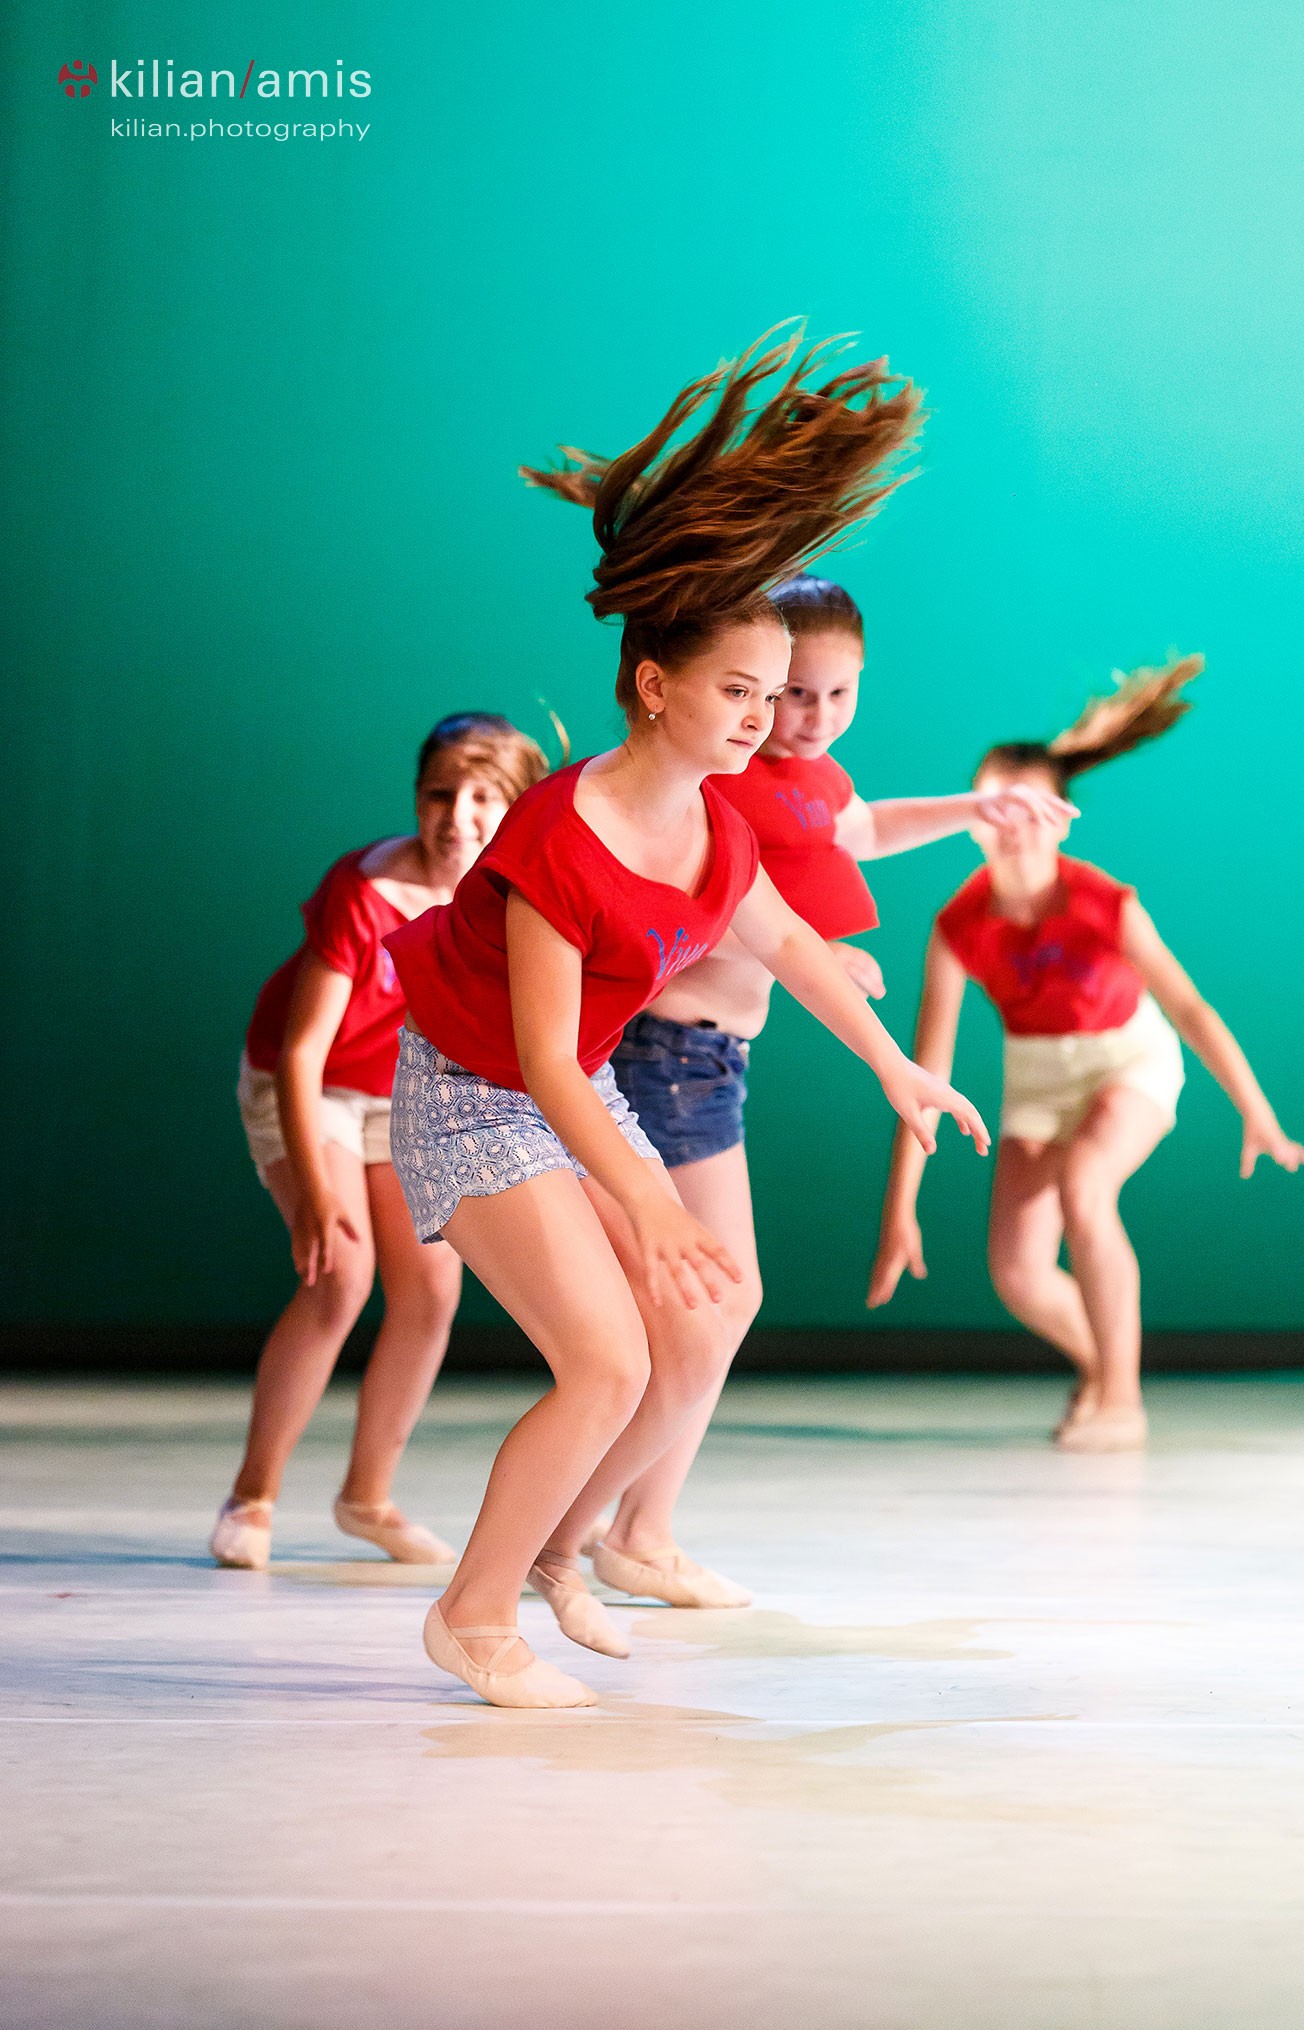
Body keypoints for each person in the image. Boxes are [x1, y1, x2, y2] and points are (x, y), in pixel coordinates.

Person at [385, 329, 991, 1708]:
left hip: (567, 1087)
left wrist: (897, 1067)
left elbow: (786, 940)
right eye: (737, 690)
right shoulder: (560, 834)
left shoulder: (719, 822)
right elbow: (543, 1059)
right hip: (476, 1090)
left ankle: (560, 1559)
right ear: (656, 686)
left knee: (687, 1328)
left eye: (773, 694)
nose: (762, 717)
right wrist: (651, 1206)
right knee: (604, 1359)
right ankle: (473, 1616)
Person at [595, 574, 1075, 1606]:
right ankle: (626, 1527)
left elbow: (859, 828)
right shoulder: (719, 784)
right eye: (784, 695)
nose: (806, 718)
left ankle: (627, 1522)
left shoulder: (806, 776)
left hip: (709, 1063)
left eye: (833, 695)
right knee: (714, 1301)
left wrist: (976, 808)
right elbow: (690, 919)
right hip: (667, 1057)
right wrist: (820, 957)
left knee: (707, 1305)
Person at [867, 657, 1304, 1448]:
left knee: (1086, 1187)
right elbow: (923, 1074)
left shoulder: (1104, 902)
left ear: (1061, 820)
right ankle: (1105, 1368)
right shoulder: (956, 926)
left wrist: (1256, 1113)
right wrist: (899, 1207)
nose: (1011, 825)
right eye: (993, 806)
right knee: (1017, 1272)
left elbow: (1189, 1008)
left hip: (1128, 1064)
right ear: (968, 817)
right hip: (1036, 1082)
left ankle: (1119, 1401)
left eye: (1029, 808)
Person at [211, 714, 548, 1569]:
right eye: (439, 794)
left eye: (483, 798)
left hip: (399, 1096)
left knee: (432, 1288)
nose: (456, 817)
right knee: (339, 1275)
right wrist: (317, 1200)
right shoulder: (365, 889)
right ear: (415, 798)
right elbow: (302, 1052)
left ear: (516, 807)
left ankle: (366, 1499)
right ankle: (252, 1497)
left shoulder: (514, 902)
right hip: (307, 1085)